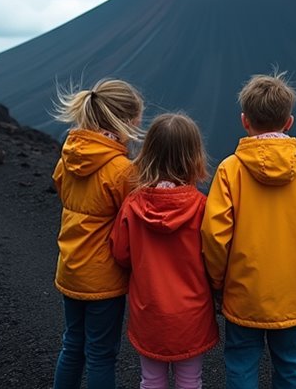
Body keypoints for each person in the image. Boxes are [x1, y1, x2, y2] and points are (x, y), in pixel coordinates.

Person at [201, 72, 296, 389]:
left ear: (244, 120)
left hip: (244, 292)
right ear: (289, 122)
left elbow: (214, 235)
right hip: (295, 292)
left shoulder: (230, 170)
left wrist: (217, 281)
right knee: (292, 369)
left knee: (241, 365)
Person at [110, 112, 219, 389]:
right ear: (194, 157)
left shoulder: (133, 206)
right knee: (190, 381)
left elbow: (121, 254)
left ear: (148, 154)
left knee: (151, 381)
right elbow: (215, 258)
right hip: (191, 315)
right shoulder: (202, 207)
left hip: (149, 313)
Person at [51, 78, 145, 389]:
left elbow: (61, 189)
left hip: (70, 269)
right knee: (101, 354)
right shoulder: (121, 170)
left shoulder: (69, 156)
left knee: (72, 344)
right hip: (104, 279)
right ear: (126, 121)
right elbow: (133, 217)